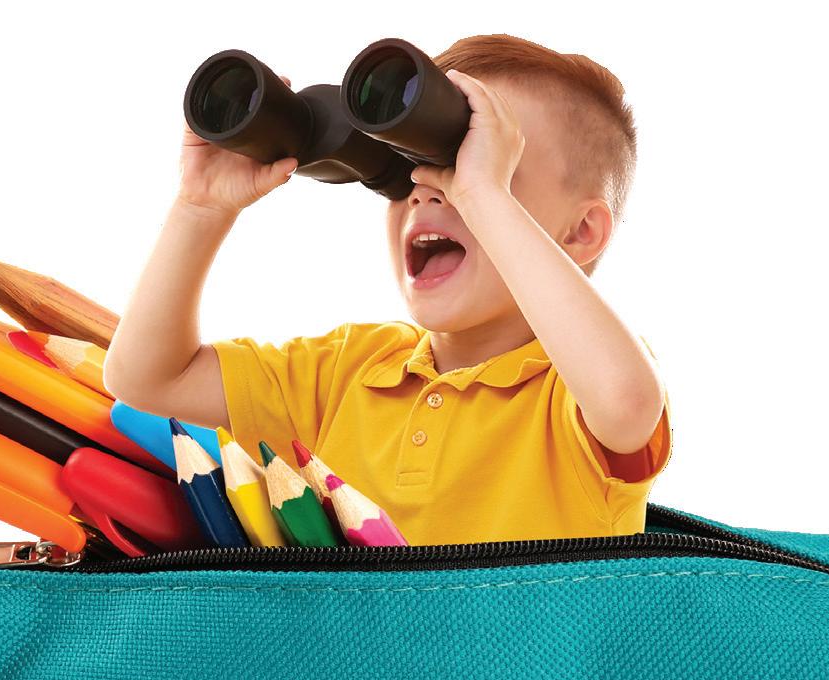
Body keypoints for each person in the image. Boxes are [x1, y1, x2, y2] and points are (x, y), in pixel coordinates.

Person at [104, 34, 671, 544]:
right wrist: (201, 207)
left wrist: (483, 193)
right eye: (407, 167)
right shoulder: (345, 372)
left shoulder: (571, 395)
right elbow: (146, 378)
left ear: (581, 232)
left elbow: (626, 402)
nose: (427, 190)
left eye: (481, 167)